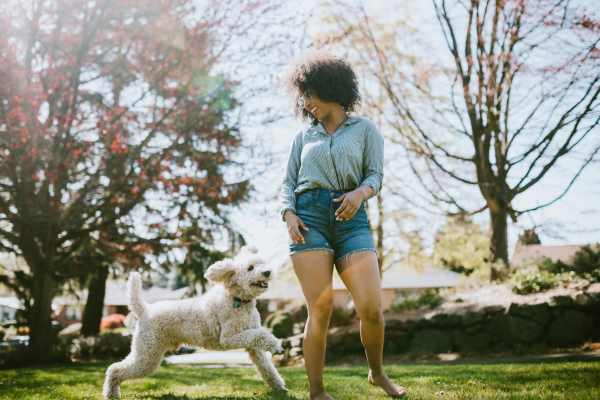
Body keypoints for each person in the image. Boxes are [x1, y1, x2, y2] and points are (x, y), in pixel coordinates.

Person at [280, 54, 407, 400]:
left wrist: (360, 194)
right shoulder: (303, 137)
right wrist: (288, 214)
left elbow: (375, 175)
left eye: (309, 95)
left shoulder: (365, 130)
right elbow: (287, 182)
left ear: (329, 88)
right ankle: (317, 392)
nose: (305, 104)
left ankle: (377, 373)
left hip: (353, 221)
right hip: (309, 219)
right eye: (302, 97)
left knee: (371, 308)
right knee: (319, 308)